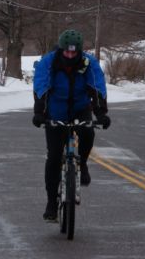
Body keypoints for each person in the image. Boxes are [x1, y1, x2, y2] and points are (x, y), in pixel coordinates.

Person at [32, 29, 111, 221]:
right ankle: (51, 202)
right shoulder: (49, 62)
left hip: (80, 107)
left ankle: (82, 163)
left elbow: (97, 86)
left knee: (88, 133)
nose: (69, 55)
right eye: (66, 51)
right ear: (61, 49)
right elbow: (41, 86)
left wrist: (101, 113)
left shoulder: (88, 63)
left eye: (73, 52)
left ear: (79, 51)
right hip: (56, 110)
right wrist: (39, 113)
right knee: (53, 157)